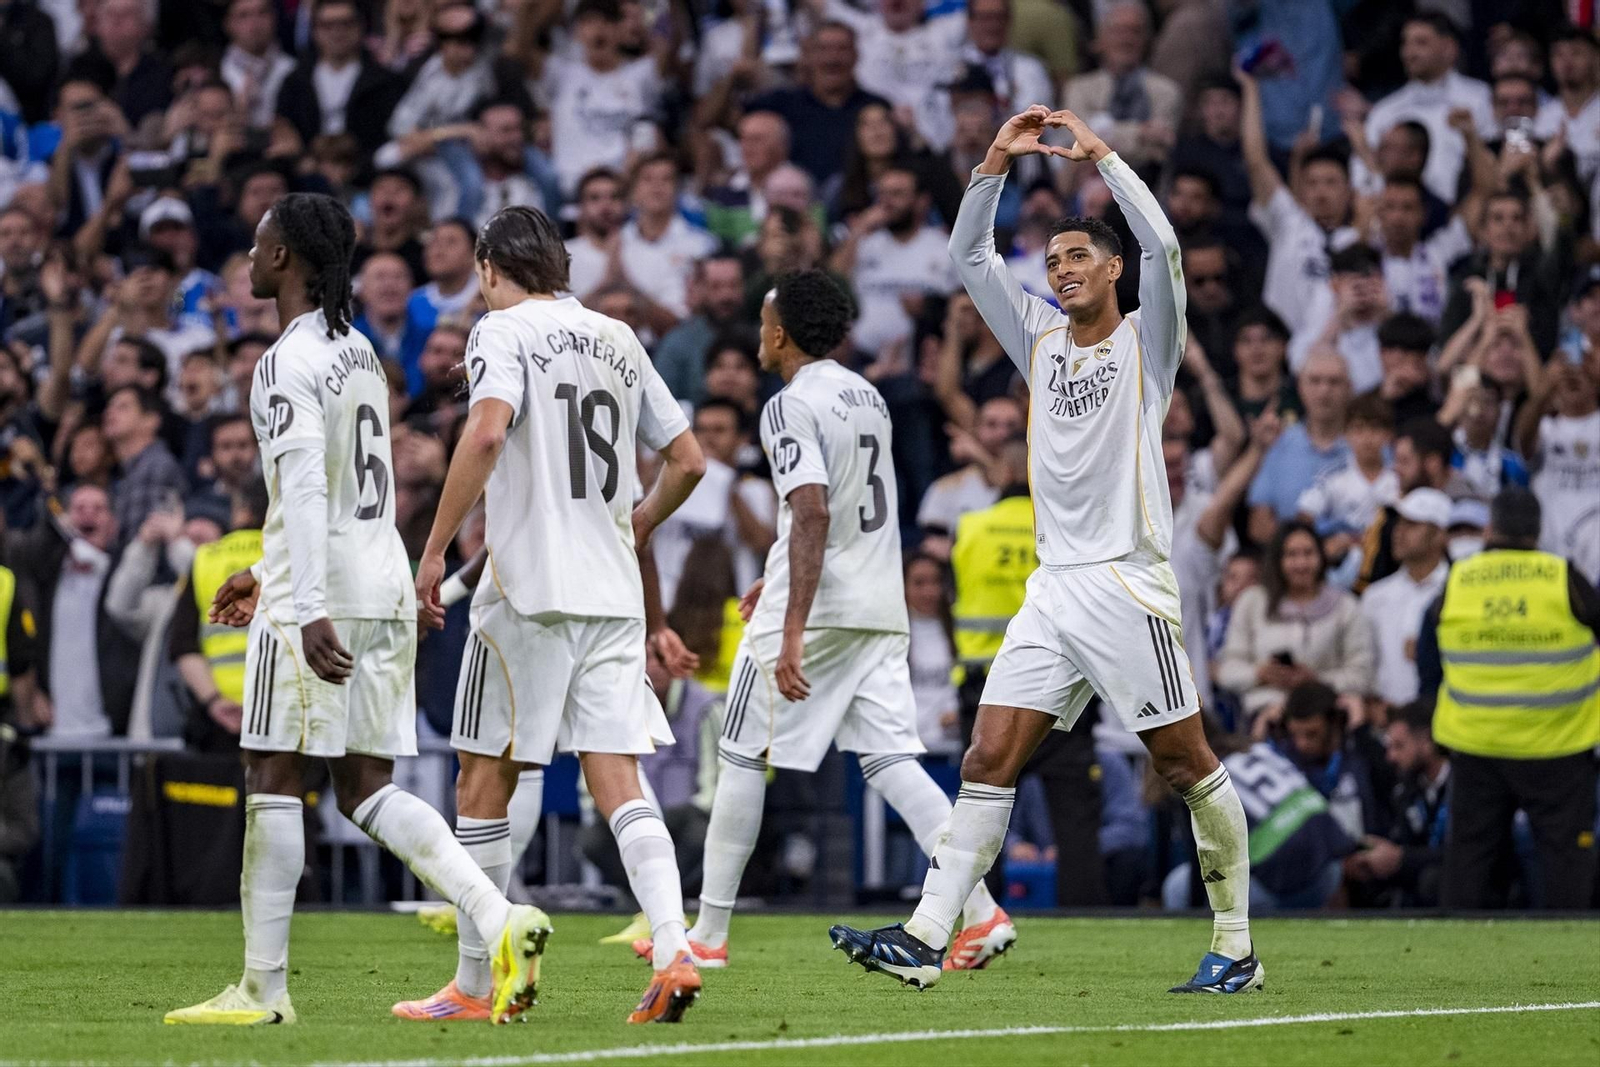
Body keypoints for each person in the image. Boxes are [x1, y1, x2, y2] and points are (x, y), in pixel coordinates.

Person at [831, 106, 1259, 995]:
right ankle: (925, 934)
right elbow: (968, 257)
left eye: (1078, 257)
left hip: (1125, 582)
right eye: (1055, 258)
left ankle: (1237, 944)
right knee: (987, 757)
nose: (1062, 269)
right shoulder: (1040, 339)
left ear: (1112, 269)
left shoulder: (1150, 339)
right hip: (1053, 589)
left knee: (1184, 763)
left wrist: (1100, 153)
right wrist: (994, 156)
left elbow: (1167, 248)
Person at [165, 193, 548, 1027]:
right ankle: (498, 915)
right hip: (380, 582)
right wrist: (266, 569)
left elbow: (304, 486)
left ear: (288, 260)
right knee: (366, 786)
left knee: (271, 768)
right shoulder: (362, 352)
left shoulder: (285, 360)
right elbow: (339, 488)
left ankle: (263, 990)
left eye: (262, 239)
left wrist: (297, 600)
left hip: (324, 599)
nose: (252, 252)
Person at [650, 270, 1012, 976]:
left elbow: (814, 509)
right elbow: (835, 508)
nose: (759, 333)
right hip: (880, 601)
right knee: (890, 760)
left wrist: (790, 626)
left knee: (741, 754)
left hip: (821, 610)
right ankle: (980, 910)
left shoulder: (789, 405)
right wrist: (775, 570)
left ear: (779, 331)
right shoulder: (866, 393)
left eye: (763, 321)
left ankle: (710, 933)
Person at [404, 205, 708, 1024]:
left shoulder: (499, 329)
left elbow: (489, 429)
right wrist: (635, 523)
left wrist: (433, 551)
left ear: (491, 268)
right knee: (621, 782)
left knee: (483, 777)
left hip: (529, 592)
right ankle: (676, 946)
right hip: (611, 594)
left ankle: (474, 981)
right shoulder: (617, 335)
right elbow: (689, 459)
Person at [1417, 487, 1600, 910]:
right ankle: (1567, 964)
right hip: (1558, 747)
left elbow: (1429, 653)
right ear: (1538, 532)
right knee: (1565, 864)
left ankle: (1452, 962)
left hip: (1477, 746)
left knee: (1468, 862)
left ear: (1489, 528)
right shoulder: (1564, 576)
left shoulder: (1459, 578)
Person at [1215, 521, 1376, 729]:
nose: (1301, 564)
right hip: (1266, 712)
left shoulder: (1346, 607)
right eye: (1291, 555)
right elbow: (1228, 671)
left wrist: (1314, 681)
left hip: (1325, 714)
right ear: (1278, 560)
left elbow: (1362, 675)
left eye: (1308, 553)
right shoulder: (1252, 602)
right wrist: (1260, 674)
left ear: (1321, 557)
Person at [1344, 698, 1449, 907]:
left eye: (1399, 746)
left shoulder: (1465, 787)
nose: (1390, 756)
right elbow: (1402, 841)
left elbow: (1464, 853)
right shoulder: (1406, 789)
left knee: (1433, 880)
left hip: (1456, 878)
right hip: (1417, 873)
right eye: (1389, 746)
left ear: (1427, 741)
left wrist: (1402, 858)